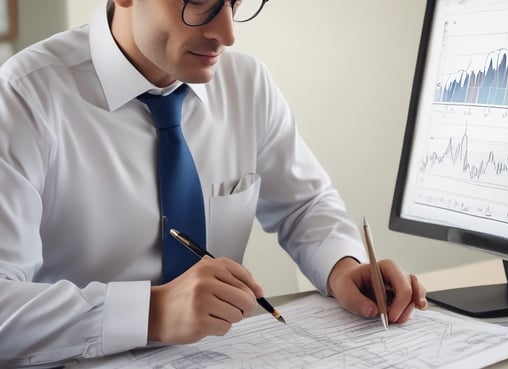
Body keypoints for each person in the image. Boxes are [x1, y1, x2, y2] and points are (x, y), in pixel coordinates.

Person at [0, 0, 427, 367]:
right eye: (199, 2)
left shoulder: (247, 84)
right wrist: (152, 312)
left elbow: (304, 205)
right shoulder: (23, 99)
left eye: (235, 3)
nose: (226, 34)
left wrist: (344, 267)